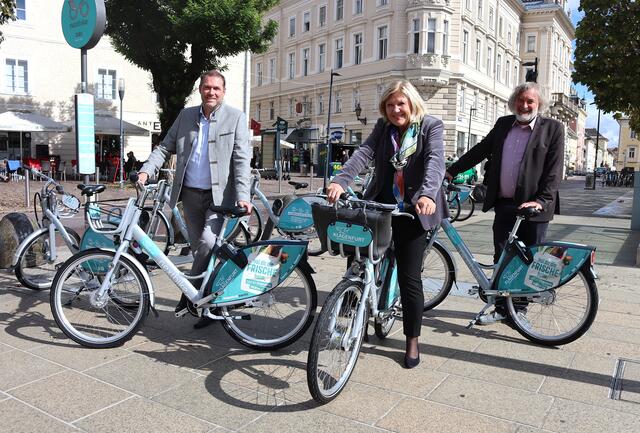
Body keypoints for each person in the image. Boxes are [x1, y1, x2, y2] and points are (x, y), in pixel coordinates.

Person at [326, 80, 447, 369]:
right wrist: (341, 180)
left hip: (414, 208)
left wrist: (428, 194)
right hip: (381, 204)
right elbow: (363, 154)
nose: (395, 110)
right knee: (358, 259)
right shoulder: (383, 129)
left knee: (409, 277)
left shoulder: (431, 126)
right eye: (390, 105)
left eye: (400, 104)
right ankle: (356, 312)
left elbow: (435, 162)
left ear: (412, 104)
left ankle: (412, 341)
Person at [138, 69, 253, 329]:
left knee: (207, 243)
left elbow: (242, 160)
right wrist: (147, 168)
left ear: (223, 92)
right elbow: (165, 146)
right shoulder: (186, 116)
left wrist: (244, 196)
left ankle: (187, 294)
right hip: (189, 195)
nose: (211, 92)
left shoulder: (235, 118)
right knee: (205, 250)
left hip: (220, 198)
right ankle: (211, 304)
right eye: (207, 87)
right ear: (200, 89)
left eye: (216, 88)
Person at [446, 82, 564, 324]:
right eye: (520, 100)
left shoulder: (553, 128)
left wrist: (541, 201)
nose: (524, 105)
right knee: (502, 256)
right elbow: (480, 150)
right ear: (514, 102)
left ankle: (518, 310)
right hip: (505, 203)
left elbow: (554, 170)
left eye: (530, 101)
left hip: (533, 208)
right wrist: (452, 171)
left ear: (539, 104)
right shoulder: (503, 124)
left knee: (528, 259)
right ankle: (502, 307)